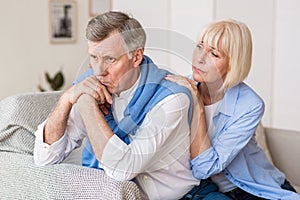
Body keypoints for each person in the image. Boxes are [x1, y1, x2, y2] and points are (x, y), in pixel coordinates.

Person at [34, 11, 201, 200]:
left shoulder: (172, 99)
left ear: (136, 57)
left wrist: (86, 104)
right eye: (94, 58)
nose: (98, 72)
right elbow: (45, 157)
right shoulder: (91, 85)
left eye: (109, 59)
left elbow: (122, 169)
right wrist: (66, 98)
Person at [165, 19, 300, 199]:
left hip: (257, 189)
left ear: (233, 63)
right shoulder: (181, 88)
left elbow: (204, 168)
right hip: (208, 190)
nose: (200, 58)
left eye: (214, 54)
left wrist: (197, 104)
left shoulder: (250, 105)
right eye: (199, 46)